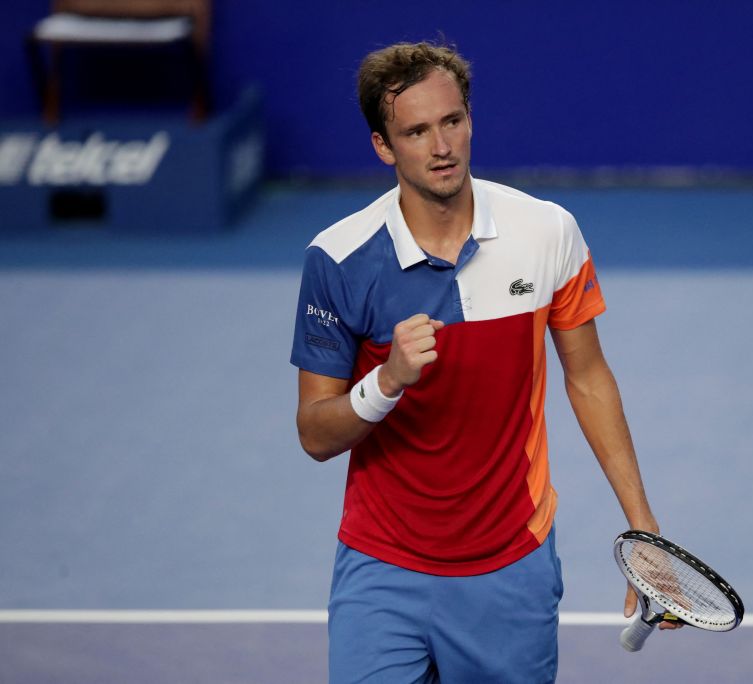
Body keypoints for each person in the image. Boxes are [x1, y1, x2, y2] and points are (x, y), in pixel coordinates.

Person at [290, 41, 674, 684]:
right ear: (384, 146)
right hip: (383, 568)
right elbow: (314, 434)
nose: (441, 146)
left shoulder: (547, 232)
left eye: (452, 121)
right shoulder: (338, 259)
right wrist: (384, 383)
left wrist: (643, 527)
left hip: (510, 569)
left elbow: (588, 376)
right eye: (416, 131)